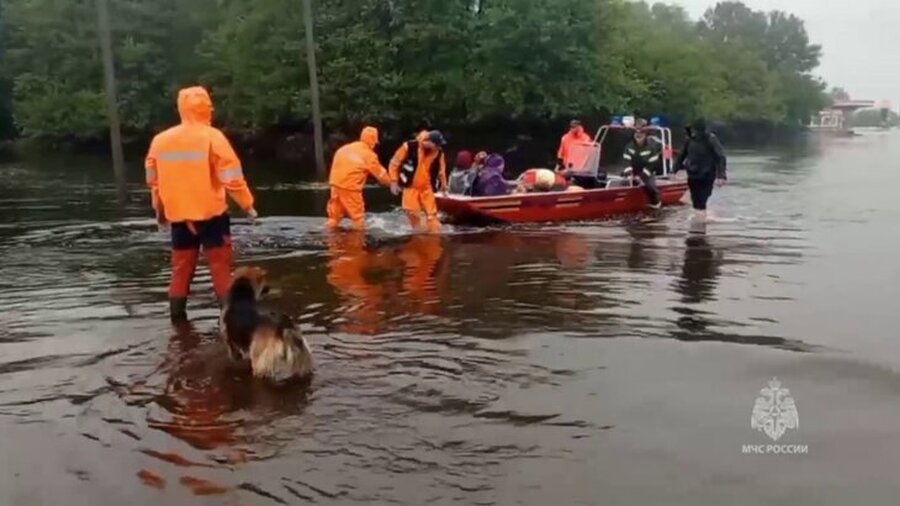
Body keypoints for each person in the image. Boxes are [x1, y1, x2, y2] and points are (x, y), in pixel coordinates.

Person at [145, 86, 257, 322]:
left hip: (179, 217)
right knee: (220, 268)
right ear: (207, 108)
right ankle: (229, 321)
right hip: (211, 215)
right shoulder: (212, 136)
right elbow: (232, 176)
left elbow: (153, 181)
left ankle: (177, 321)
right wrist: (247, 204)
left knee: (181, 270)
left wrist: (160, 211)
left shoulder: (160, 140)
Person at [326, 126, 391, 230]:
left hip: (335, 185)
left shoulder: (345, 148)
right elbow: (381, 175)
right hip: (350, 189)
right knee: (358, 219)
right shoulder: (368, 155)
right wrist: (393, 184)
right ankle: (357, 244)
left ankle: (331, 242)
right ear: (373, 141)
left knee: (334, 218)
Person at [389, 130, 448, 233]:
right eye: (437, 144)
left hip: (427, 187)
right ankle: (418, 234)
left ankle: (434, 236)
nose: (439, 147)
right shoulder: (409, 146)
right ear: (429, 142)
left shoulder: (439, 152)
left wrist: (444, 187)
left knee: (432, 215)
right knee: (412, 212)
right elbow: (394, 163)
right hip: (411, 186)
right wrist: (393, 181)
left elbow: (442, 171)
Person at [674, 118, 727, 221]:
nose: (692, 133)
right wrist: (674, 170)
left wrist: (721, 175)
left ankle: (699, 226)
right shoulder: (689, 140)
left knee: (701, 201)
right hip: (693, 175)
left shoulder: (711, 139)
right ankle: (699, 222)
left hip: (707, 175)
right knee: (696, 202)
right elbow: (681, 155)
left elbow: (721, 157)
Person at [622, 126, 662, 208]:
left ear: (645, 136)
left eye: (641, 134)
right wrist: (628, 171)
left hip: (647, 171)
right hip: (633, 170)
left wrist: (643, 175)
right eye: (636, 134)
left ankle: (656, 202)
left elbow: (653, 164)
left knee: (650, 186)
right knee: (622, 182)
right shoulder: (629, 146)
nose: (638, 136)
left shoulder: (651, 148)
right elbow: (626, 160)